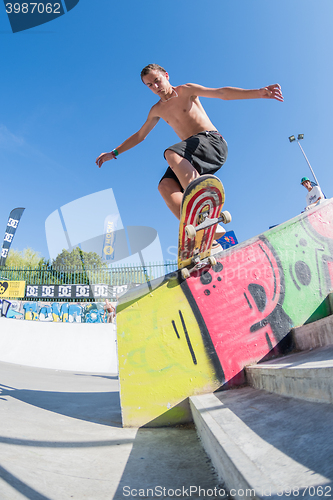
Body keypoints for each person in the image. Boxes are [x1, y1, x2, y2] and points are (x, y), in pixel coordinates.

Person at [96, 64, 283, 252]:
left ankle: (206, 214)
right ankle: (207, 235)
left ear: (166, 76)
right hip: (192, 156)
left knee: (171, 153)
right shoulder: (156, 110)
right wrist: (114, 153)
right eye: (150, 85)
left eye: (157, 80)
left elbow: (221, 93)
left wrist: (258, 92)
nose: (155, 86)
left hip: (212, 142)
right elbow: (140, 135)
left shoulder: (186, 90)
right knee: (165, 186)